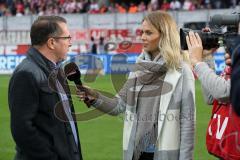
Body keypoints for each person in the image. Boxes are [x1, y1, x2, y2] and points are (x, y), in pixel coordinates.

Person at [78, 11, 195, 160]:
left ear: (164, 35)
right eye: (141, 32)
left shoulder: (182, 71)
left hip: (165, 154)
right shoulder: (139, 69)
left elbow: (188, 125)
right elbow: (118, 105)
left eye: (148, 33)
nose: (142, 37)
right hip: (136, 152)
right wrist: (94, 96)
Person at [8, 16, 83, 160]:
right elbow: (22, 130)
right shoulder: (26, 73)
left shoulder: (58, 70)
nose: (70, 43)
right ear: (52, 42)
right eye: (67, 38)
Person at [186, 31, 240, 159]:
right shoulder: (233, 65)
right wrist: (206, 58)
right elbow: (211, 97)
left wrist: (198, 63)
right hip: (228, 147)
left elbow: (223, 92)